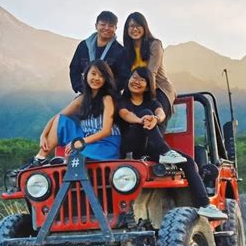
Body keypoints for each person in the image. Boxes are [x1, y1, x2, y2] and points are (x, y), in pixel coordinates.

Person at [118, 68, 226, 219]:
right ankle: (165, 151)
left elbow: (160, 113)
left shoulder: (152, 102)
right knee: (145, 114)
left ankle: (204, 205)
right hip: (131, 146)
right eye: (134, 78)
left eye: (142, 80)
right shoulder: (122, 101)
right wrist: (141, 120)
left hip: (149, 148)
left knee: (187, 161)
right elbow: (126, 115)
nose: (136, 81)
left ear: (148, 86)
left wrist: (156, 119)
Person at [30, 59, 121, 167]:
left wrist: (80, 142)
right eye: (93, 73)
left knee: (74, 155)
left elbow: (106, 131)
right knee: (61, 119)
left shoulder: (107, 99)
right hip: (86, 140)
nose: (96, 78)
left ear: (106, 79)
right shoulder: (82, 99)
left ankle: (65, 161)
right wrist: (43, 135)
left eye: (101, 76)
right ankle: (40, 158)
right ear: (86, 75)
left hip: (105, 143)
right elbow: (57, 116)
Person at [123, 12, 175, 130]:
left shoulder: (155, 44)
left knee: (156, 120)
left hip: (158, 88)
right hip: (140, 90)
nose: (134, 29)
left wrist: (151, 98)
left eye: (138, 26)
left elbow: (151, 72)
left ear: (144, 27)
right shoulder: (127, 50)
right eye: (131, 26)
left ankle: (161, 148)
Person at [69, 11, 128, 94]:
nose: (106, 28)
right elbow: (74, 69)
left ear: (115, 28)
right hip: (86, 94)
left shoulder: (120, 51)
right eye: (103, 24)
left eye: (111, 26)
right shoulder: (83, 46)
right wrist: (82, 89)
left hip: (109, 96)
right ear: (96, 26)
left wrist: (105, 91)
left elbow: (123, 77)